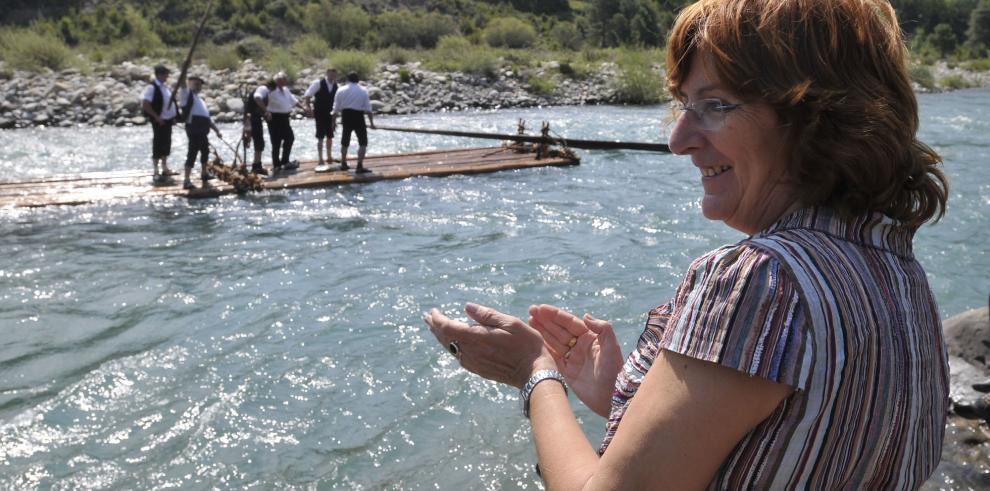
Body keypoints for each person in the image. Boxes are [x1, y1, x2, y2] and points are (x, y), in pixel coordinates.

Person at [424, 0, 950, 488]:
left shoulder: (763, 279)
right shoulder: (905, 281)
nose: (678, 140)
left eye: (715, 105)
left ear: (817, 118)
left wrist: (535, 373)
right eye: (682, 105)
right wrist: (624, 398)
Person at [178, 76, 221, 190]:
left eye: (199, 84)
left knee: (205, 152)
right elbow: (182, 85)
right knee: (192, 154)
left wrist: (216, 130)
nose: (198, 86)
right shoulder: (186, 96)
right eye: (196, 84)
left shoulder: (200, 100)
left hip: (203, 132)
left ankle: (204, 174)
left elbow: (207, 119)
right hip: (193, 130)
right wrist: (184, 72)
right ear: (189, 84)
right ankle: (186, 180)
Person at [331, 72, 375, 173]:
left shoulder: (341, 90)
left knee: (345, 140)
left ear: (347, 80)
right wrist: (372, 123)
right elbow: (368, 109)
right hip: (358, 116)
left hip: (346, 116)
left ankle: (343, 163)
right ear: (358, 80)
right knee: (363, 142)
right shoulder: (363, 91)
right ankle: (359, 165)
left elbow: (335, 108)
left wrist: (333, 122)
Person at [141, 64, 178, 184]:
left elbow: (169, 103)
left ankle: (164, 167)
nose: (167, 76)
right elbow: (146, 104)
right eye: (165, 74)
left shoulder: (164, 87)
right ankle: (156, 169)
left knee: (166, 143)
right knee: (158, 143)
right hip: (159, 120)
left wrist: (173, 117)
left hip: (167, 120)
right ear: (159, 75)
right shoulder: (152, 87)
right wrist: (156, 117)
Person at [265, 72, 307, 173]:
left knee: (289, 138)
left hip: (285, 118)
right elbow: (263, 99)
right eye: (283, 80)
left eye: (285, 80)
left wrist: (303, 108)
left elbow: (293, 100)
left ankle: (285, 161)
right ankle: (276, 164)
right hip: (274, 118)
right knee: (276, 142)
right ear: (278, 81)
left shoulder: (285, 89)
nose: (285, 81)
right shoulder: (271, 91)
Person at [303, 68, 339, 171]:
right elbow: (308, 95)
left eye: (334, 75)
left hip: (331, 113)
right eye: (331, 74)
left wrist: (334, 118)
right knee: (320, 136)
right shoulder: (318, 83)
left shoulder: (336, 85)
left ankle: (329, 156)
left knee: (330, 135)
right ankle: (320, 158)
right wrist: (308, 107)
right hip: (319, 112)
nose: (333, 76)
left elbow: (336, 101)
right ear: (327, 74)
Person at [242, 80, 275, 176]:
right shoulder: (263, 89)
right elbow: (257, 98)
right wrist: (266, 111)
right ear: (271, 88)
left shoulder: (262, 90)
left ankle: (256, 165)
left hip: (250, 118)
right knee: (259, 142)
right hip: (252, 119)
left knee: (256, 142)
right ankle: (256, 166)